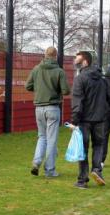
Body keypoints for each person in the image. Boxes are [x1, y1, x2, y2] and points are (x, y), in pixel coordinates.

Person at [71, 51, 110, 189]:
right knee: (98, 146)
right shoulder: (102, 80)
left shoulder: (80, 79)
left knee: (83, 149)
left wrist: (74, 121)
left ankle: (82, 180)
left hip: (84, 121)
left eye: (77, 59)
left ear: (85, 62)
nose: (74, 61)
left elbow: (77, 102)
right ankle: (97, 171)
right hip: (100, 119)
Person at [25, 47, 70, 177]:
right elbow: (66, 90)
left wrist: (39, 89)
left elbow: (28, 86)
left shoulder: (36, 69)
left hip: (39, 109)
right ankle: (49, 170)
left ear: (44, 55)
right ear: (56, 56)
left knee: (42, 136)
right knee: (51, 140)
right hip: (53, 108)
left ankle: (37, 161)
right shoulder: (59, 71)